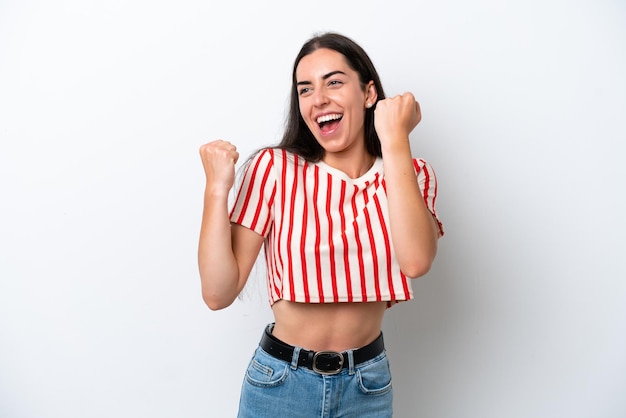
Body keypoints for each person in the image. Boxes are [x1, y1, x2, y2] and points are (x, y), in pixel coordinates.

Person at [198, 32, 444, 418]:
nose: (319, 99)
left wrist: (395, 138)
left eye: (334, 81)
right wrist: (216, 190)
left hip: (368, 386)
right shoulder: (274, 170)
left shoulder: (411, 174)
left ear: (368, 94)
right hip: (279, 385)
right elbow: (218, 293)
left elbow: (416, 262)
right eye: (305, 89)